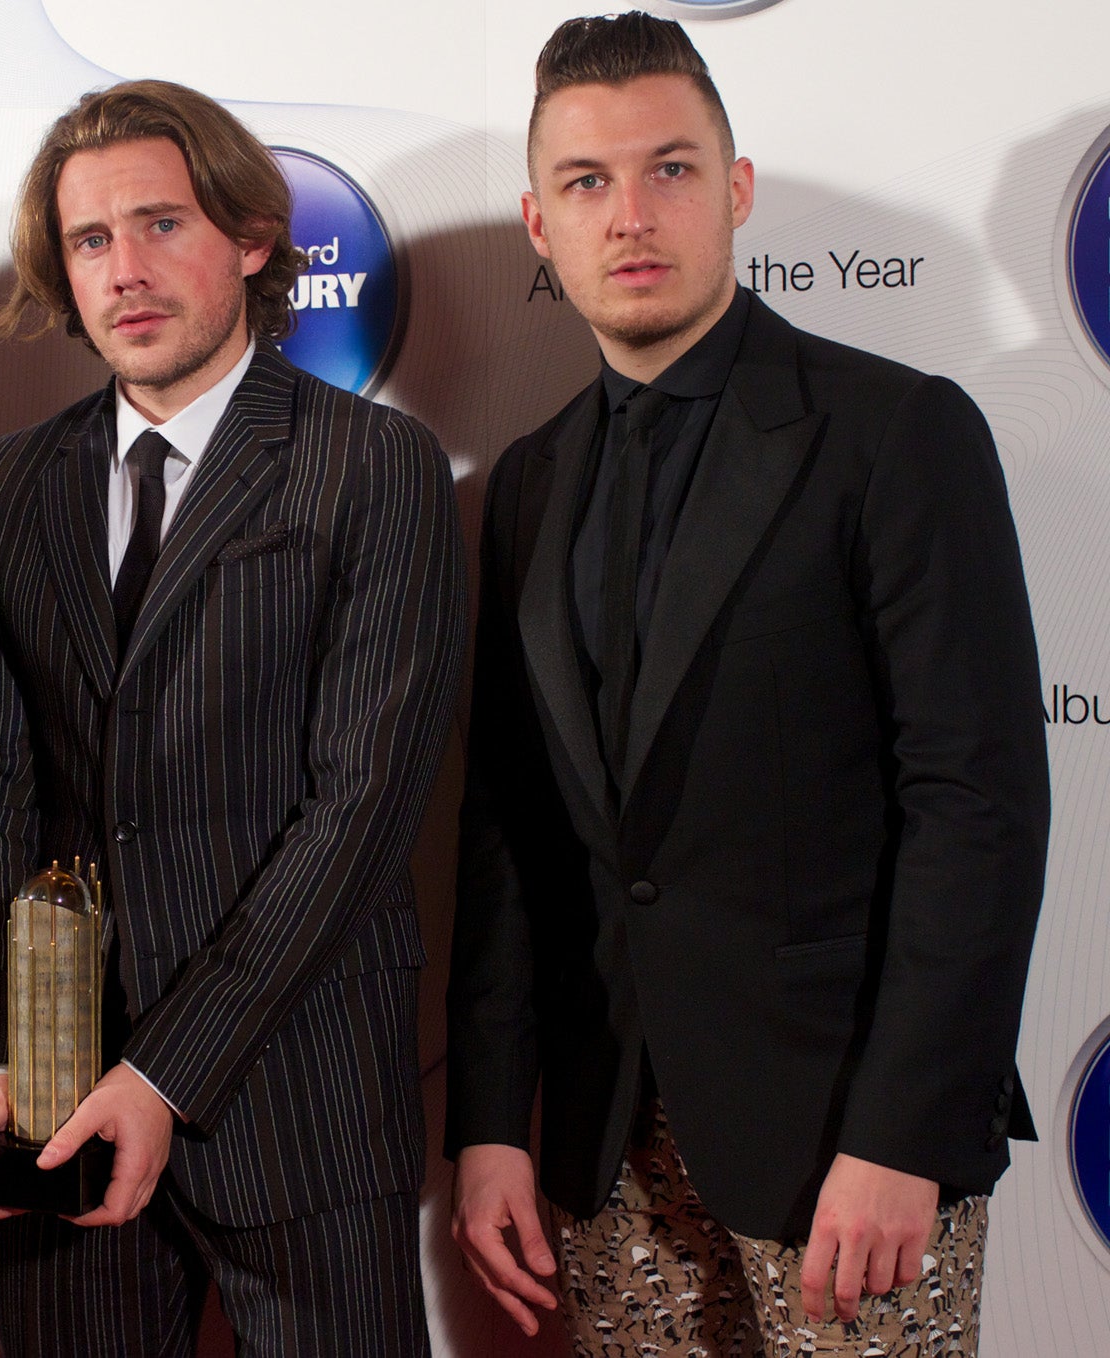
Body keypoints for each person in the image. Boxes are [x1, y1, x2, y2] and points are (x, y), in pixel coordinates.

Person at [446, 13, 1048, 1357]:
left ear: (738, 190)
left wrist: (904, 1131)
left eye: (671, 168)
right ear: (540, 225)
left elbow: (979, 807)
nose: (633, 214)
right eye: (589, 184)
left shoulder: (895, 431)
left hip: (851, 1145)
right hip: (609, 1147)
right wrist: (492, 1119)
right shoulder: (529, 479)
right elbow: (511, 828)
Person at [0, 78, 464, 1356]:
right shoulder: (7, 482)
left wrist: (164, 1070)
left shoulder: (370, 464)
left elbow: (358, 812)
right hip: (53, 1097)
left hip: (301, 1095)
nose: (125, 269)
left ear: (250, 239)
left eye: (161, 224)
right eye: (90, 240)